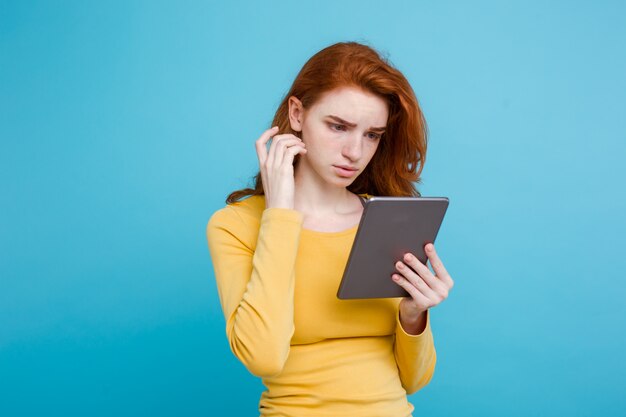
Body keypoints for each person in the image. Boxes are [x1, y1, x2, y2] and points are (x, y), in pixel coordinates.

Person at [206, 41, 454, 417]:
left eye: (372, 134)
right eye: (339, 127)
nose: (355, 151)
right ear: (297, 114)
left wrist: (413, 315)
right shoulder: (237, 226)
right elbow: (263, 357)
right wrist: (279, 216)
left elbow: (415, 380)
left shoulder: (387, 219)